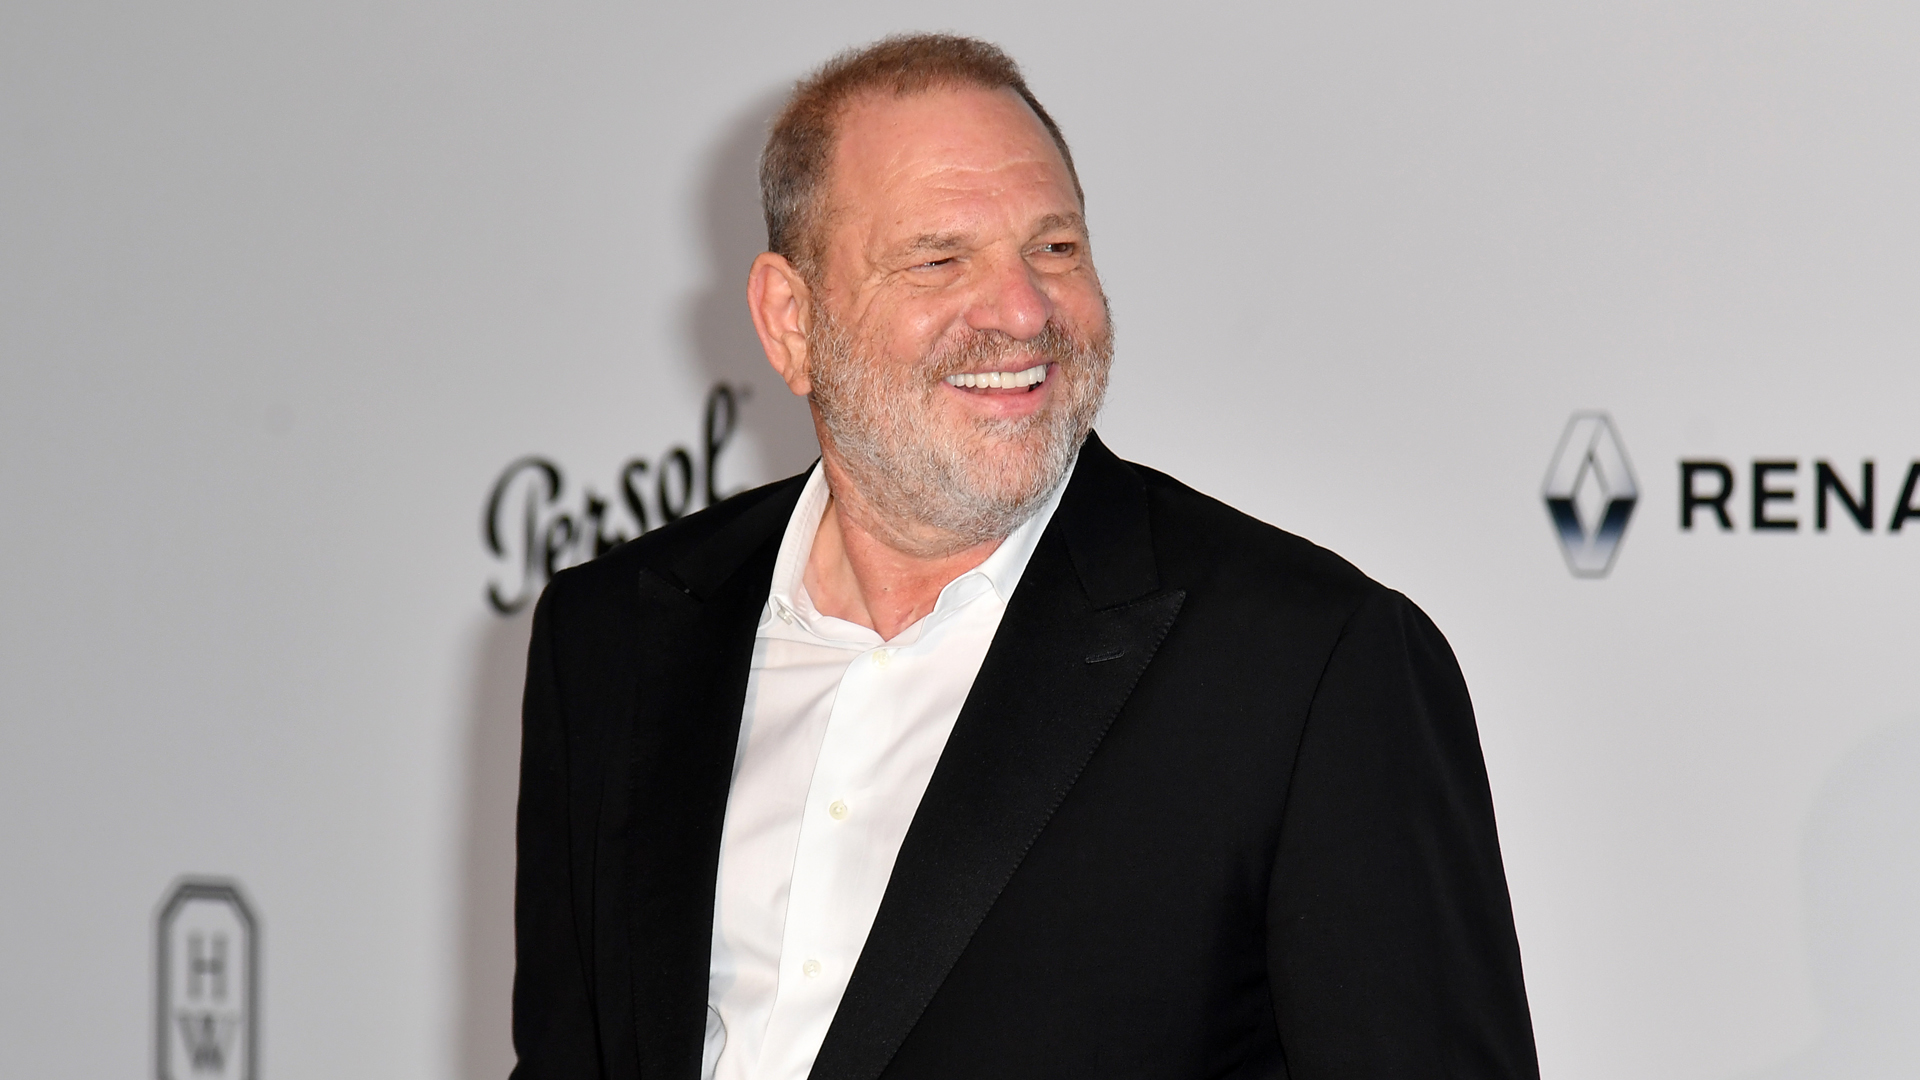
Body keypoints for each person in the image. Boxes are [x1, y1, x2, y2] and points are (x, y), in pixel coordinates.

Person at [511, 33, 1538, 1080]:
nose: (1022, 311)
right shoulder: (613, 641)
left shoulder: (1307, 667)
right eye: (940, 258)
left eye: (1055, 249)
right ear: (791, 321)